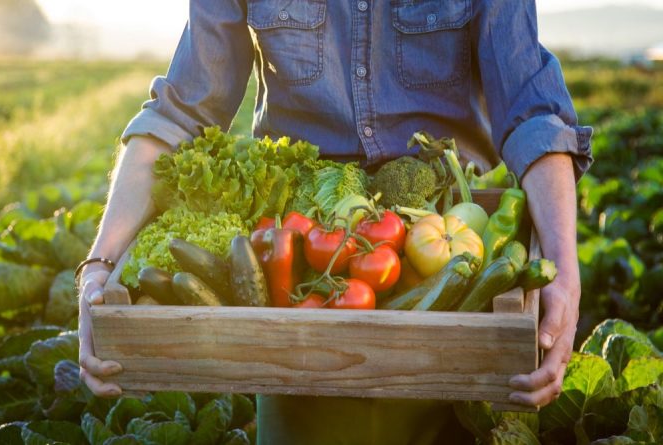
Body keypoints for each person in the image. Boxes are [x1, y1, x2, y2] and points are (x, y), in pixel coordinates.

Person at [77, 1, 592, 443]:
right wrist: (99, 265)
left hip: (455, 255)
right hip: (298, 280)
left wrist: (564, 270)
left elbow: (534, 114)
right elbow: (176, 116)